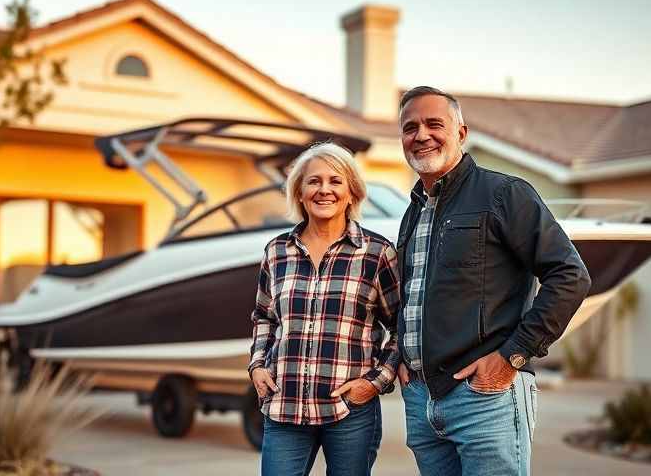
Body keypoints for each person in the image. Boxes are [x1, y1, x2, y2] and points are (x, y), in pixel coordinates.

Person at [395, 86, 591, 475]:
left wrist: (512, 357)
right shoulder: (412, 214)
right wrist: (404, 362)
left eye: (435, 124)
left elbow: (570, 275)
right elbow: (411, 297)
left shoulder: (504, 193)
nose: (421, 135)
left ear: (461, 133)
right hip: (422, 399)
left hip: (485, 396)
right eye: (410, 127)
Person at [248, 142, 401, 476]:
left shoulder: (377, 253)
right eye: (313, 181)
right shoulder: (277, 251)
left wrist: (376, 381)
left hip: (350, 410)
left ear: (352, 193)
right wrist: (257, 365)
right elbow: (264, 317)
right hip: (284, 405)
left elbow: (402, 327)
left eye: (335, 181)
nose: (324, 190)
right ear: (299, 192)